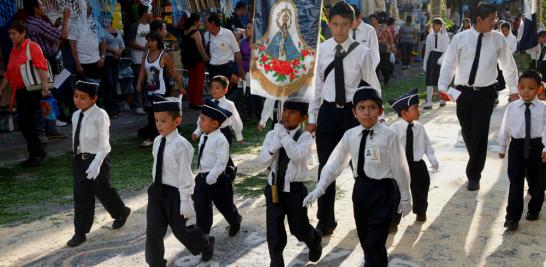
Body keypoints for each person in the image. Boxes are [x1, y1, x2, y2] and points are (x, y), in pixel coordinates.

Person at [303, 87, 411, 267]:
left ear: (380, 110)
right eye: (361, 108)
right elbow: (334, 163)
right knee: (366, 240)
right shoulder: (350, 135)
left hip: (383, 191)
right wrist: (320, 188)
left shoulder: (389, 136)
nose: (367, 112)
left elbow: (400, 167)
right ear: (354, 112)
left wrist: (405, 196)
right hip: (360, 191)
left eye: (372, 107)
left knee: (375, 241)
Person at [307, 2, 381, 237]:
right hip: (328, 114)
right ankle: (325, 221)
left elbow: (371, 84)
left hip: (354, 116)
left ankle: (370, 215)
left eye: (344, 25)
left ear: (353, 25)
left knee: (362, 168)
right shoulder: (323, 50)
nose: (339, 30)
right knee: (326, 169)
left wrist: (377, 115)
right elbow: (317, 86)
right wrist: (312, 117)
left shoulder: (362, 52)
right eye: (335, 24)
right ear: (329, 24)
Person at [438, 2, 519, 191]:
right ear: (479, 20)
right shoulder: (460, 38)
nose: (495, 23)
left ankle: (474, 175)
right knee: (467, 131)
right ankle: (475, 159)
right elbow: (449, 63)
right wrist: (443, 85)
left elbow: (508, 65)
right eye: (491, 20)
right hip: (463, 93)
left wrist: (514, 89)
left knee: (480, 133)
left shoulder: (498, 39)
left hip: (486, 93)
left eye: (495, 19)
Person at [145, 96, 214, 265]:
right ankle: (155, 263)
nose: (158, 125)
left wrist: (185, 200)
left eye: (163, 121)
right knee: (153, 232)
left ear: (177, 121)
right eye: (156, 120)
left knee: (181, 231)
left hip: (175, 193)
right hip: (157, 191)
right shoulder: (157, 141)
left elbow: (185, 174)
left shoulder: (181, 145)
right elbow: (157, 167)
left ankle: (206, 242)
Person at [67, 80, 131, 247]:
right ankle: (80, 232)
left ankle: (121, 212)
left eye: (83, 98)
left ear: (93, 98)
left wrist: (96, 163)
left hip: (98, 159)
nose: (78, 100)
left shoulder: (100, 115)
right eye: (76, 96)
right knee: (81, 195)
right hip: (79, 160)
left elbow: (105, 144)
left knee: (103, 191)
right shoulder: (75, 115)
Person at [258, 101, 322, 267]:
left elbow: (298, 156)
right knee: (274, 231)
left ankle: (314, 239)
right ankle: (276, 261)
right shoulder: (272, 134)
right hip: (273, 188)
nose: (286, 115)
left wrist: (284, 137)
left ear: (304, 117)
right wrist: (273, 147)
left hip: (294, 190)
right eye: (284, 110)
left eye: (292, 112)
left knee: (299, 229)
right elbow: (263, 161)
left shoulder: (305, 137)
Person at [498, 70, 546, 231]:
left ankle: (534, 208)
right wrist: (502, 146)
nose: (526, 91)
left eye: (531, 88)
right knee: (515, 182)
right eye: (522, 87)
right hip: (517, 147)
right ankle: (512, 217)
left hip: (537, 147)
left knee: (538, 182)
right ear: (518, 88)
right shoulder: (512, 108)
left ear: (539, 89)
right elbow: (505, 127)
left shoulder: (543, 108)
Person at [0, 20, 48, 166]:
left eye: (14, 33)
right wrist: (1, 88)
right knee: (25, 122)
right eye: (9, 34)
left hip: (31, 91)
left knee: (25, 122)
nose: (11, 36)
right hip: (21, 91)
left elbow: (41, 67)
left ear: (23, 33)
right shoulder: (14, 50)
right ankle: (36, 152)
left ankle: (37, 152)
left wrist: (45, 88)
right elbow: (9, 73)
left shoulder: (32, 47)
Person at [193, 100, 243, 237]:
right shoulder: (204, 137)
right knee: (201, 207)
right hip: (202, 178)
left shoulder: (221, 139)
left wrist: (212, 176)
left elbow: (222, 161)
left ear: (215, 123)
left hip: (218, 180)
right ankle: (204, 236)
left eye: (203, 119)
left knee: (225, 206)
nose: (199, 122)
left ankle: (235, 220)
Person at [389, 89, 439, 223]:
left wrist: (432, 157)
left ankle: (421, 211)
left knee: (422, 187)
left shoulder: (419, 127)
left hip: (417, 164)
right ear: (404, 113)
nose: (419, 110)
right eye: (415, 108)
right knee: (396, 192)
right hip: (400, 165)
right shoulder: (394, 129)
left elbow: (427, 144)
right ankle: (394, 219)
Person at [136, 32, 185, 147]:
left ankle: (153, 137)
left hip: (162, 89)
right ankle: (169, 130)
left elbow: (173, 72)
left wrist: (181, 86)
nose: (150, 43)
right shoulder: (146, 53)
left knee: (159, 113)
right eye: (148, 41)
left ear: (158, 42)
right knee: (153, 113)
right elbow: (143, 69)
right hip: (149, 89)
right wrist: (139, 83)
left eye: (152, 41)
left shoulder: (164, 56)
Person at [192, 75, 243, 180]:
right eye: (212, 87)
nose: (214, 90)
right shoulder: (209, 103)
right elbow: (202, 119)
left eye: (217, 88)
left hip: (224, 132)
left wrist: (239, 135)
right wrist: (197, 132)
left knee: (223, 153)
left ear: (225, 90)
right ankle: (220, 170)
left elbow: (236, 120)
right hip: (210, 132)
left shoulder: (229, 104)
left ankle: (228, 172)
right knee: (211, 152)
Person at [67, 6, 106, 81]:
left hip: (97, 61)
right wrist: (78, 65)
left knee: (96, 89)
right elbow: (72, 46)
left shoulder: (95, 21)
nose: (90, 7)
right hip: (82, 63)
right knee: (84, 90)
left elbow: (103, 40)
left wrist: (102, 57)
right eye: (86, 4)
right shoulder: (74, 23)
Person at [204, 12, 245, 80]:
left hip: (227, 70)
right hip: (213, 71)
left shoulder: (228, 33)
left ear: (213, 23)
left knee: (228, 90)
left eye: (206, 22)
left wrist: (240, 69)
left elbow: (237, 52)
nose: (204, 24)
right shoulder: (206, 35)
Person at [128, 4, 151, 115]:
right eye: (149, 12)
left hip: (149, 60)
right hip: (137, 60)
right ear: (145, 13)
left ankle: (147, 104)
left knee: (149, 83)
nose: (150, 14)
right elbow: (131, 43)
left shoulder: (150, 26)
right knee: (139, 82)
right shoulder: (135, 26)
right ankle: (139, 105)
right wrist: (144, 49)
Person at [183, 13, 209, 110]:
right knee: (198, 81)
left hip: (189, 61)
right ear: (195, 22)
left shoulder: (185, 32)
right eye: (199, 21)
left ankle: (192, 101)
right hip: (198, 61)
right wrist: (207, 59)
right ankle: (197, 101)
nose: (200, 23)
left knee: (192, 81)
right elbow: (200, 48)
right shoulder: (196, 33)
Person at [101, 13, 125, 118]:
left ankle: (115, 108)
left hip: (116, 59)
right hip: (107, 59)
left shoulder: (118, 31)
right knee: (109, 84)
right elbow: (102, 45)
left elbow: (122, 45)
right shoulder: (101, 31)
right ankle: (109, 109)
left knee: (115, 84)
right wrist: (114, 51)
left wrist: (118, 52)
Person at [423, 18, 450, 109]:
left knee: (440, 79)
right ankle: (429, 101)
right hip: (431, 58)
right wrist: (424, 63)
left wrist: (442, 59)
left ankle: (442, 99)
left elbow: (447, 49)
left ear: (440, 26)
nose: (434, 26)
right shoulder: (429, 36)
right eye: (433, 24)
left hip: (441, 58)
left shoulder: (445, 36)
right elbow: (427, 50)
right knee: (429, 80)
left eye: (436, 24)